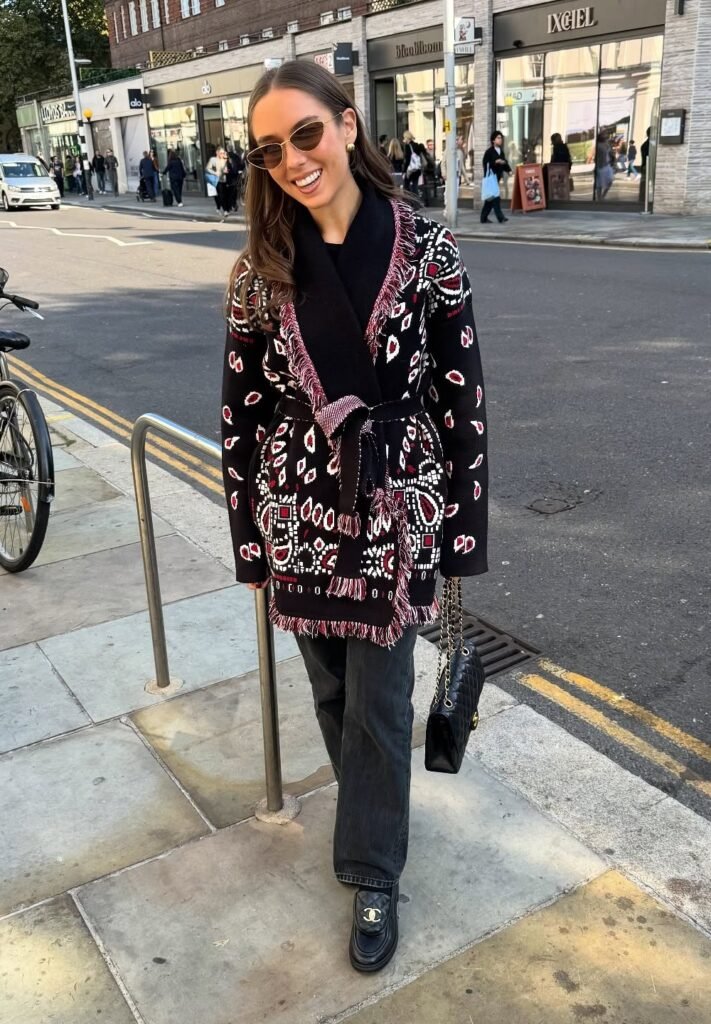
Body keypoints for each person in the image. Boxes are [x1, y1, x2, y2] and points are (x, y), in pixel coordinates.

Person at [221, 59, 487, 974]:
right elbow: (241, 412)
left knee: (380, 699)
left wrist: (461, 530)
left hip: (394, 504)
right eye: (269, 149)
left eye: (305, 134)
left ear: (344, 126)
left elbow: (462, 397)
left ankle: (373, 868)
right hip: (296, 508)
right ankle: (372, 811)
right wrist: (247, 536)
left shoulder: (428, 248)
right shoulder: (260, 272)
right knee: (332, 691)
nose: (292, 160)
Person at [480, 130, 511, 223]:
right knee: (496, 197)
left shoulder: (500, 151)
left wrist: (509, 170)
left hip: (496, 177)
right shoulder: (489, 152)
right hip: (490, 178)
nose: (500, 140)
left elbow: (504, 161)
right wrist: (495, 162)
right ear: (493, 140)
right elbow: (486, 163)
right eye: (498, 138)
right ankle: (500, 217)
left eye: (501, 138)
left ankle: (483, 218)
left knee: (490, 199)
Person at [206, 146, 230, 219]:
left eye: (223, 153)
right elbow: (208, 169)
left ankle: (221, 208)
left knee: (225, 195)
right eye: (221, 153)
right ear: (217, 153)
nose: (222, 154)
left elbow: (227, 169)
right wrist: (215, 172)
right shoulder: (213, 160)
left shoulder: (225, 159)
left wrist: (227, 170)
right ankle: (225, 210)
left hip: (224, 180)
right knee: (220, 195)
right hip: (216, 180)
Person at [594, 132, 613, 200]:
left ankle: (602, 196)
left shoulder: (606, 144)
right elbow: (596, 157)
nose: (605, 136)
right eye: (603, 135)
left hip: (607, 165)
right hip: (601, 166)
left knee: (610, 181)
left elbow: (610, 153)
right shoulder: (598, 145)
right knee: (599, 184)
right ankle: (599, 197)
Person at [401, 130, 421, 194]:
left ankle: (408, 201)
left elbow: (408, 160)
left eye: (404, 138)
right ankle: (416, 201)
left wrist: (404, 171)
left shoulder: (408, 146)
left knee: (406, 186)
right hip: (417, 169)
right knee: (415, 186)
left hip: (410, 169)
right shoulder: (417, 145)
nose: (404, 139)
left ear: (406, 138)